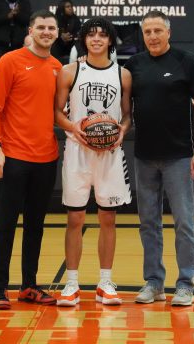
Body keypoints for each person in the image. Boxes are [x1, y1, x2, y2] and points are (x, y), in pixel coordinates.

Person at [124, 10, 194, 306]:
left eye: (158, 30)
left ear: (168, 32)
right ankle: (154, 282)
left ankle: (185, 283)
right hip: (144, 157)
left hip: (179, 157)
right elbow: (125, 110)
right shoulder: (133, 65)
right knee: (149, 222)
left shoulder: (186, 61)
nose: (153, 36)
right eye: (147, 32)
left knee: (184, 222)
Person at [0, 9, 62, 310]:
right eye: (41, 27)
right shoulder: (10, 61)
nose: (46, 32)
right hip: (13, 157)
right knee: (5, 225)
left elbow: (58, 111)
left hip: (46, 158)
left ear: (57, 33)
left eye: (51, 28)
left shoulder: (57, 66)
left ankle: (29, 285)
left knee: (35, 226)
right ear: (30, 30)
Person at [54, 17, 132, 307]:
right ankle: (71, 284)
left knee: (107, 218)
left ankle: (105, 282)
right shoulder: (69, 71)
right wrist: (75, 128)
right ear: (84, 39)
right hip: (77, 152)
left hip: (110, 154)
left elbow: (126, 115)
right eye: (91, 35)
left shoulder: (123, 75)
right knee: (74, 218)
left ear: (110, 40)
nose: (96, 39)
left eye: (102, 35)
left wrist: (121, 131)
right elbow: (57, 113)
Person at [51, 0, 82, 64]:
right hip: (57, 47)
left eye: (71, 6)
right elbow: (50, 32)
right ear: (62, 8)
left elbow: (78, 33)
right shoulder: (55, 19)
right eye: (67, 7)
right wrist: (60, 36)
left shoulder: (75, 19)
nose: (70, 8)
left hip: (71, 46)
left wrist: (70, 37)